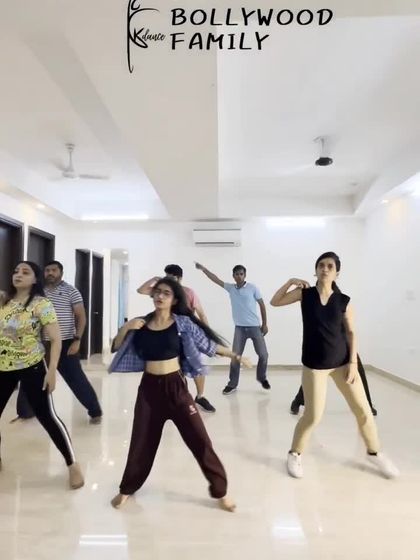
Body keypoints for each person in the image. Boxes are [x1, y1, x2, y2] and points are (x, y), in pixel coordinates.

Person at [109, 277, 252, 511]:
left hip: (176, 388)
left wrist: (236, 355)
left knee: (200, 441)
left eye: (166, 293)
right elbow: (116, 346)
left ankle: (221, 492)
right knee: (141, 442)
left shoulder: (182, 323)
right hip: (149, 391)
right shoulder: (141, 324)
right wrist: (127, 327)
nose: (159, 296)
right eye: (157, 292)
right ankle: (127, 489)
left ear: (175, 300)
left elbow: (208, 345)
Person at [270, 252, 398, 479]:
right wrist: (290, 281)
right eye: (321, 265)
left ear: (337, 272)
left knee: (364, 411)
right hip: (314, 366)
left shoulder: (343, 301)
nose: (325, 268)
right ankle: (294, 453)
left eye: (330, 266)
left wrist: (353, 363)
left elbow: (351, 332)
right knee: (313, 416)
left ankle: (374, 452)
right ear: (316, 270)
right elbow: (275, 301)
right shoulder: (305, 294)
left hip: (342, 363)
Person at [0, 261, 84, 488]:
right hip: (3, 367)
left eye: (25, 272)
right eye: (16, 271)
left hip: (32, 366)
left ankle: (72, 464)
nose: (18, 274)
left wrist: (52, 370)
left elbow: (55, 339)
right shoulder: (4, 300)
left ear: (35, 279)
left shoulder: (41, 304)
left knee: (47, 416)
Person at [15, 261, 102, 424]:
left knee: (76, 380)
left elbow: (81, 317)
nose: (50, 273)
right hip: (40, 343)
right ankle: (25, 412)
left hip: (65, 343)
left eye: (54, 270)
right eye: (47, 270)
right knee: (30, 376)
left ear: (60, 273)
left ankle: (95, 411)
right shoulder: (39, 292)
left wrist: (77, 340)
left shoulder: (71, 291)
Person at [137, 264, 215, 413]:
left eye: (171, 277)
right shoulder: (163, 292)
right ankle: (174, 399)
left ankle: (200, 396)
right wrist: (154, 279)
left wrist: (207, 334)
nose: (168, 280)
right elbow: (141, 290)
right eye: (166, 277)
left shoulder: (189, 292)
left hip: (187, 334)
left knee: (197, 365)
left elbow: (201, 314)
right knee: (172, 369)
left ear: (179, 278)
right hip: (168, 335)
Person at [195, 263, 270, 395]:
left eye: (241, 274)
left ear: (245, 275)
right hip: (239, 329)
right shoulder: (231, 288)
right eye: (237, 274)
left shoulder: (252, 288)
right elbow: (216, 279)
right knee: (235, 357)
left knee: (263, 354)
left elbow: (262, 305)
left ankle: (261, 377)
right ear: (233, 276)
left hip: (254, 327)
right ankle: (232, 384)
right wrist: (204, 270)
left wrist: (264, 324)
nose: (239, 276)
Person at [290, 355, 377, 416]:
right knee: (317, 374)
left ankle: (368, 405)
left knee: (358, 369)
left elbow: (351, 334)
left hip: (343, 341)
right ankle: (298, 400)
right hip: (327, 342)